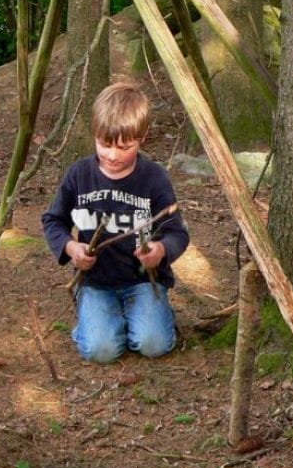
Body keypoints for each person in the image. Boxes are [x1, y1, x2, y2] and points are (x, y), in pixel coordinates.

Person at [42, 81, 189, 363]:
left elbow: (176, 233)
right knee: (101, 351)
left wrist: (159, 251)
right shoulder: (79, 175)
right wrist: (72, 249)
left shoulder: (154, 177)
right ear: (95, 134)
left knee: (153, 345)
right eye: (104, 144)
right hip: (96, 282)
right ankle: (98, 322)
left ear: (142, 137)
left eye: (124, 147)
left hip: (143, 281)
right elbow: (53, 220)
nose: (112, 155)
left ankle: (144, 317)